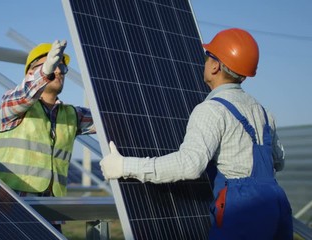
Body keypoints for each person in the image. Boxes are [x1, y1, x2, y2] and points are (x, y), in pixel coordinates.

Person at [99, 28, 293, 239]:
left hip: (242, 210)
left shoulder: (211, 110)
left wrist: (124, 166)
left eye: (207, 57)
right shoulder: (264, 112)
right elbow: (279, 161)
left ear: (215, 66)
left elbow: (189, 165)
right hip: (276, 204)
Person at [0, 40, 95, 232]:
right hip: (12, 209)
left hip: (52, 210)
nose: (58, 71)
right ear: (31, 73)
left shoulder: (72, 114)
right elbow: (23, 95)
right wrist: (45, 72)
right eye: (53, 66)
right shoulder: (13, 106)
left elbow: (111, 119)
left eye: (61, 67)